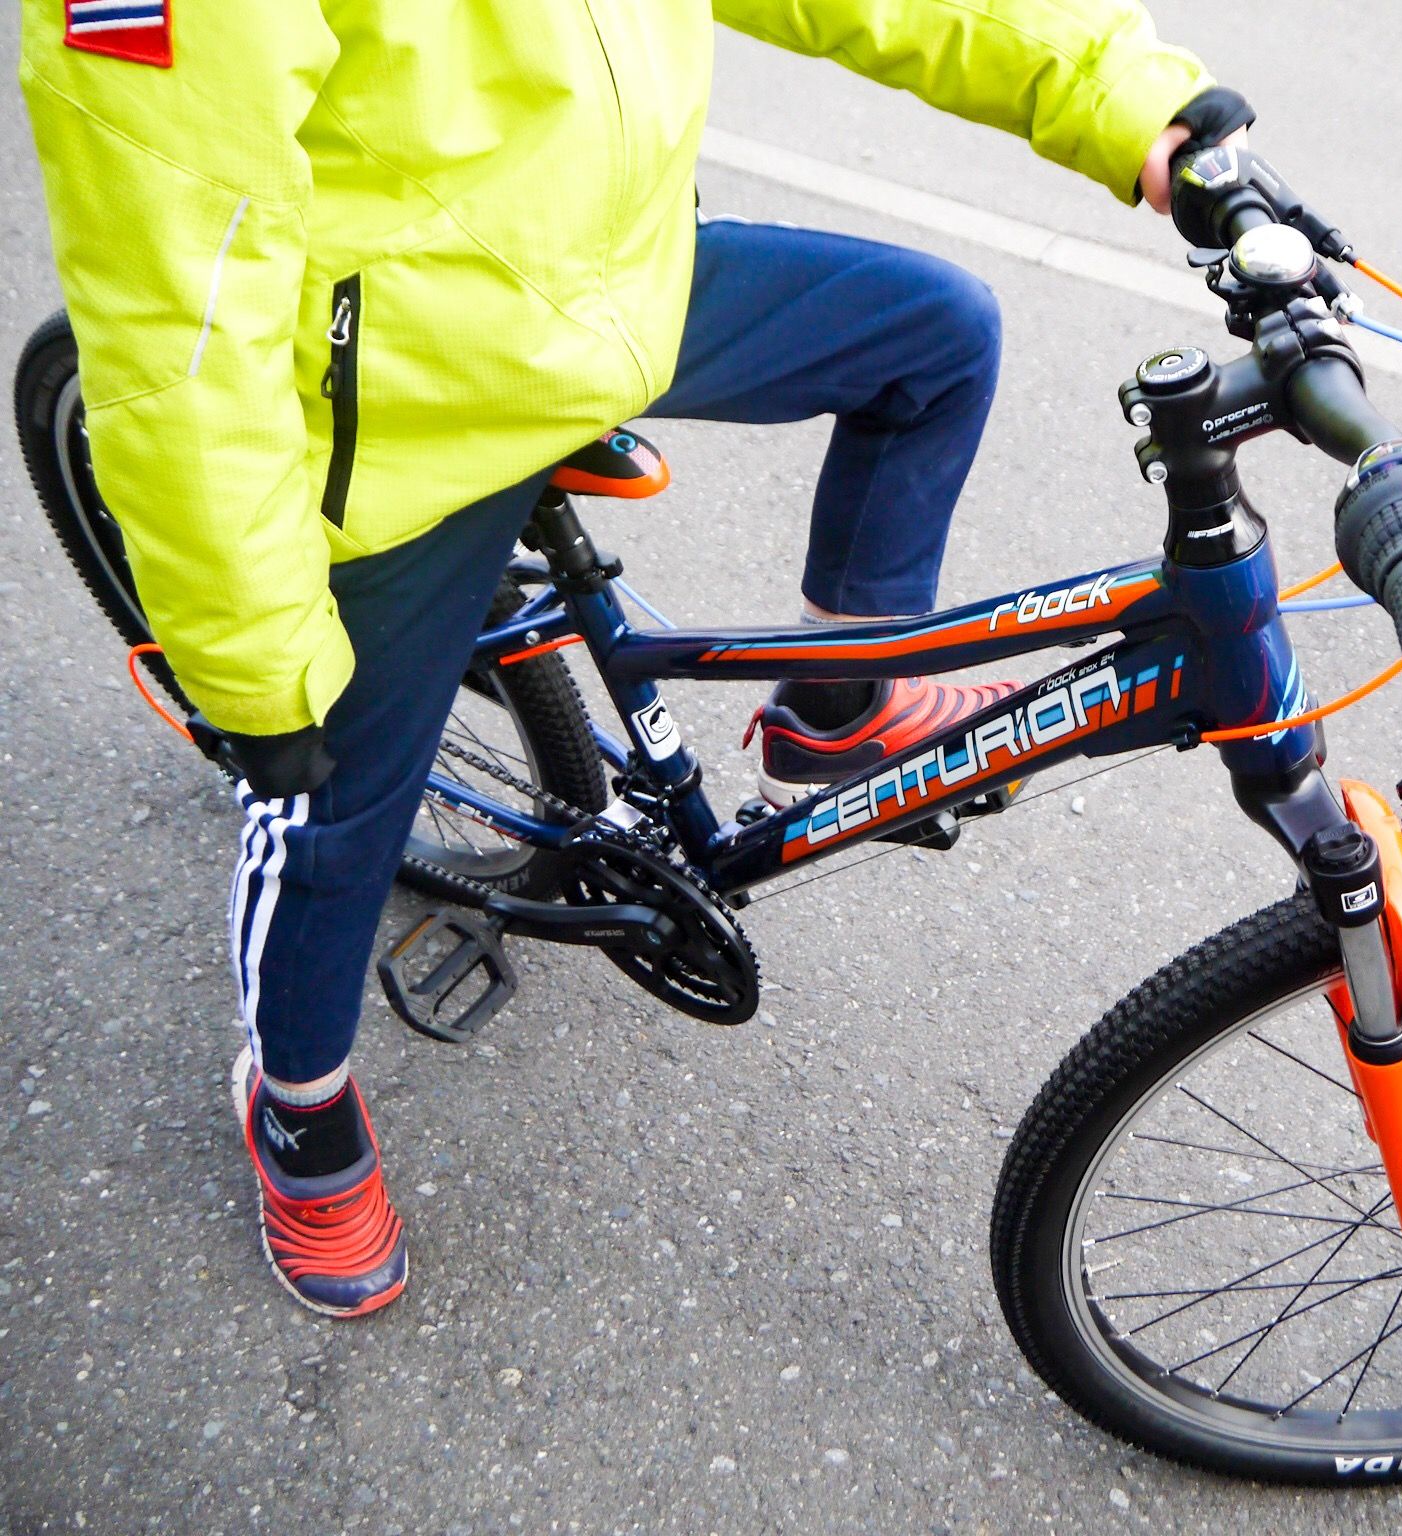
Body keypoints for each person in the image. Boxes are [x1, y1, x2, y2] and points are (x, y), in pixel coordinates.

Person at [20, 0, 1252, 1317]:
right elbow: (178, 325)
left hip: (603, 286)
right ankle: (298, 1106)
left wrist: (1133, 103)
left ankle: (837, 704)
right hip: (399, 416)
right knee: (330, 814)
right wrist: (252, 671)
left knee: (934, 339)